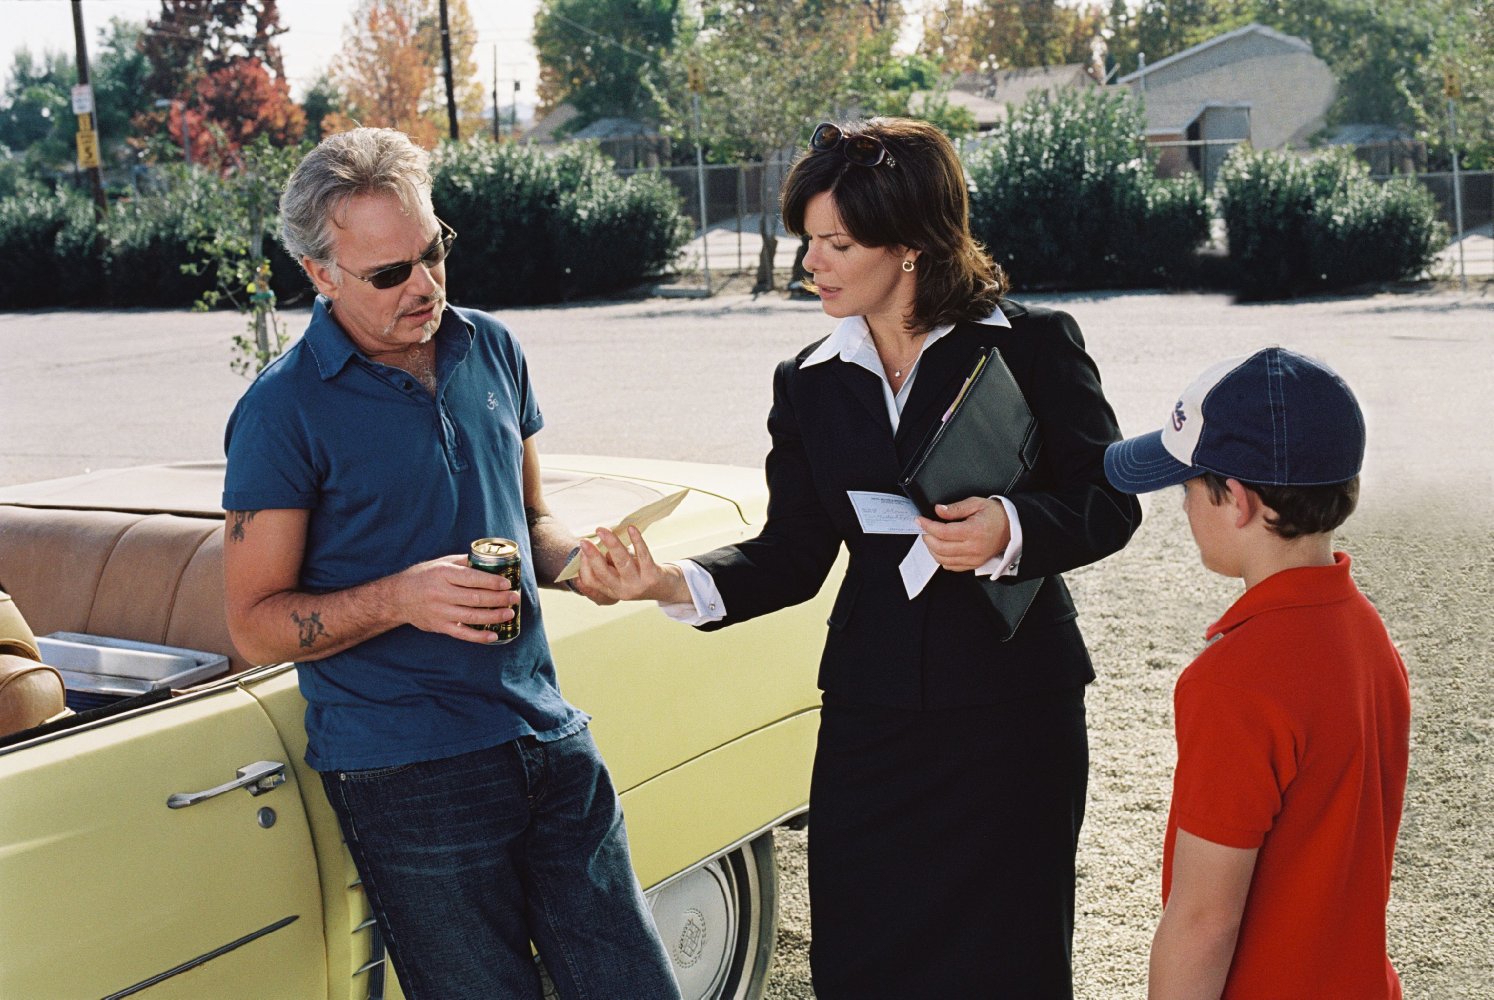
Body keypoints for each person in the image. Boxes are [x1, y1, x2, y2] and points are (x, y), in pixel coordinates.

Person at [575, 117, 1142, 997]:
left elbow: (1110, 502)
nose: (814, 262)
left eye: (838, 242)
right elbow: (795, 552)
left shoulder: (1033, 344)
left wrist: (1011, 528)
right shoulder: (809, 378)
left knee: (1010, 961)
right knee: (860, 955)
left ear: (913, 244)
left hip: (1013, 710)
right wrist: (667, 581)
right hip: (872, 716)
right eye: (809, 240)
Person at [220, 127, 680, 1000]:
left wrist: (583, 562)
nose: (425, 284)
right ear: (320, 275)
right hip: (408, 772)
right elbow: (252, 625)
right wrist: (401, 598)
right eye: (390, 274)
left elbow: (529, 520)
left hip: (546, 732)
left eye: (432, 253)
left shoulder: (492, 348)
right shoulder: (282, 412)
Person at [1103, 348, 1411, 999]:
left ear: (1236, 501)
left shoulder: (1234, 681)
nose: (1183, 507)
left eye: (1185, 487)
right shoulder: (1365, 632)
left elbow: (1203, 920)